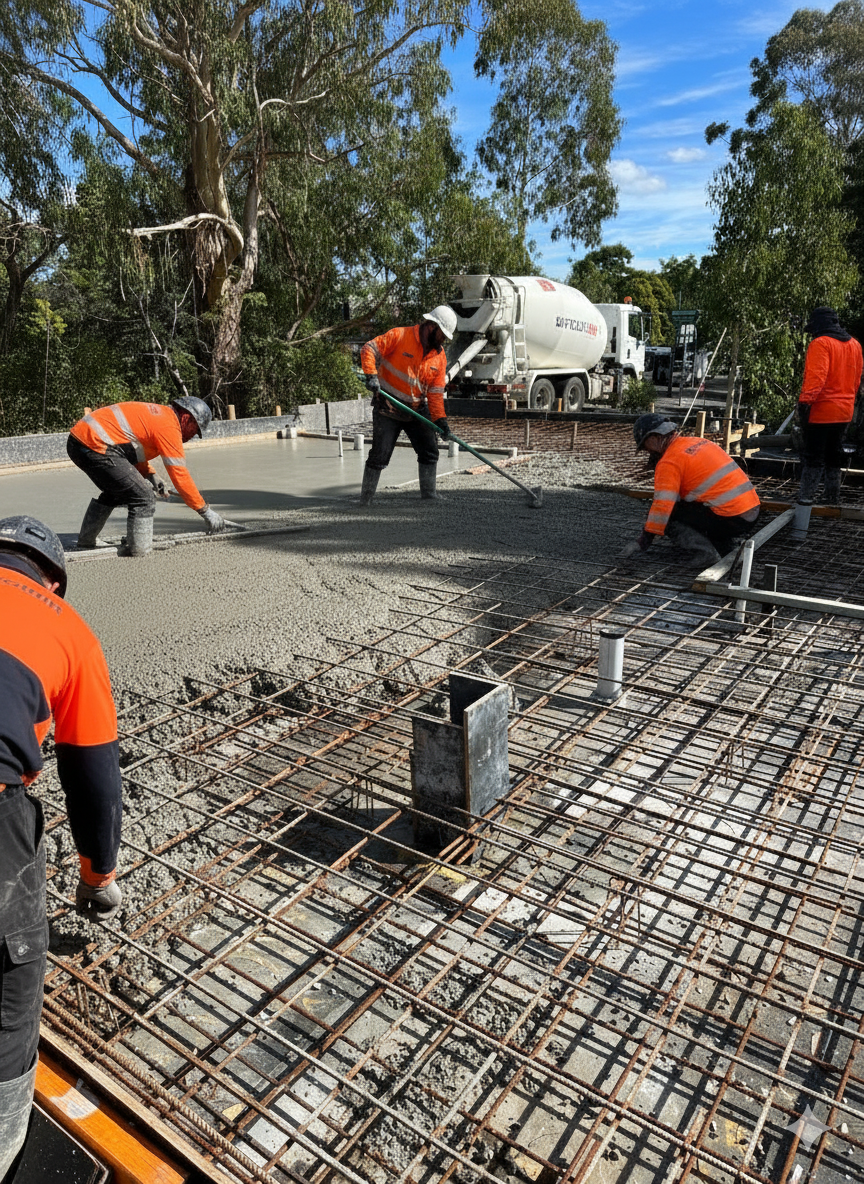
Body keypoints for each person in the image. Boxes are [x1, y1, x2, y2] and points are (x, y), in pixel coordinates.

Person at [0, 516, 123, 1179]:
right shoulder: (66, 627)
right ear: (53, 579)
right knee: (9, 996)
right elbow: (95, 780)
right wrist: (96, 874)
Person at [67, 395, 226, 556]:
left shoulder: (160, 416)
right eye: (195, 429)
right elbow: (180, 474)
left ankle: (87, 540)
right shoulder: (169, 426)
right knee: (144, 497)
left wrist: (151, 475)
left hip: (80, 442)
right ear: (186, 418)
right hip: (94, 444)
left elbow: (131, 449)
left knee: (120, 490)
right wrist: (205, 511)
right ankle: (140, 550)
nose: (193, 436)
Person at [619, 414, 761, 566]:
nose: (647, 452)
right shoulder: (698, 442)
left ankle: (705, 554)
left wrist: (643, 542)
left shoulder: (669, 461)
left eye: (645, 446)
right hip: (752, 511)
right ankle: (723, 543)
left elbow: (661, 510)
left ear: (653, 439)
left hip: (733, 519)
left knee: (670, 518)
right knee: (689, 507)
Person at [359, 306, 456, 504]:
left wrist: (441, 421)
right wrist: (371, 375)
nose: (443, 339)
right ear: (432, 326)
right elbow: (368, 348)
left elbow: (435, 394)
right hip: (388, 406)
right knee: (379, 455)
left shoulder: (439, 356)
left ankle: (429, 495)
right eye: (442, 334)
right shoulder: (400, 336)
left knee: (430, 451)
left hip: (416, 410)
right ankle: (365, 500)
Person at [797, 306, 863, 506]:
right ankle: (832, 498)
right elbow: (857, 380)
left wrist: (805, 403)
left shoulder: (821, 343)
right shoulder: (855, 345)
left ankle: (805, 499)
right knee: (834, 454)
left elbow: (817, 378)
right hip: (845, 412)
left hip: (821, 411)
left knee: (813, 457)